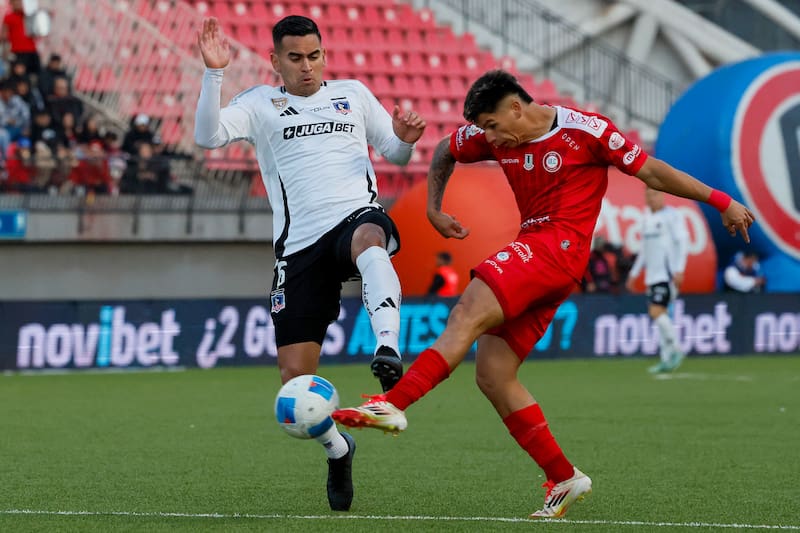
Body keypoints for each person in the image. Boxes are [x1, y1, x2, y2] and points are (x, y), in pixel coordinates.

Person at [333, 70, 754, 519]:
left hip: (556, 248)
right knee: (494, 374)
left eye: (493, 125)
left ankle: (393, 403)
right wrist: (434, 209)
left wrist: (722, 201)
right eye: (484, 129)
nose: (490, 138)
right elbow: (444, 150)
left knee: (466, 312)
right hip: (545, 258)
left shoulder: (587, 132)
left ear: (517, 107)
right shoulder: (495, 136)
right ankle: (564, 476)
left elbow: (651, 171)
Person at [193, 15, 426, 512]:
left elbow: (396, 154)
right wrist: (214, 74)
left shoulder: (353, 94)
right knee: (295, 384)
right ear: (275, 60)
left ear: (324, 55)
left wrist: (405, 138)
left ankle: (388, 349)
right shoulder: (260, 103)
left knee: (371, 239)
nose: (307, 66)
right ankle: (338, 450)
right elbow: (207, 137)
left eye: (314, 56)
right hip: (299, 246)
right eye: (295, 58)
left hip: (353, 217)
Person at [625, 186, 689, 373]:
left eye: (655, 194)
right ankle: (666, 359)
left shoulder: (672, 216)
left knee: (656, 311)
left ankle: (676, 349)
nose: (652, 198)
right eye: (649, 195)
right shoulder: (646, 219)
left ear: (662, 195)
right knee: (661, 316)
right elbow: (644, 251)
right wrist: (634, 273)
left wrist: (679, 269)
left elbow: (682, 241)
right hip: (652, 277)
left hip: (667, 275)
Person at [1, 0, 41, 77]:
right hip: (18, 52)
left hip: (32, 51)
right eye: (16, 2)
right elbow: (3, 36)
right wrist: (6, 51)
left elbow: (37, 32)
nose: (19, 4)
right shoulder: (8, 17)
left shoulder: (28, 16)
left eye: (20, 2)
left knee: (36, 74)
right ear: (11, 3)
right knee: (19, 76)